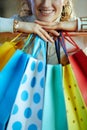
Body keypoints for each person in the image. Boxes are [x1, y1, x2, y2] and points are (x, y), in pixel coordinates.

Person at [0, 0, 87, 64]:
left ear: (64, 1)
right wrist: (20, 25)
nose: (46, 4)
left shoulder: (78, 30)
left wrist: (73, 25)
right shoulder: (17, 23)